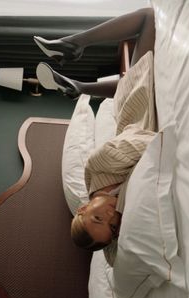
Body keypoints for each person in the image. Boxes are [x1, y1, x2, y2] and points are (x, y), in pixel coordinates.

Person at [34, 7, 156, 264]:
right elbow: (112, 258)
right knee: (128, 82)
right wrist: (111, 233)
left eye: (99, 217)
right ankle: (80, 86)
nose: (112, 217)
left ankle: (74, 45)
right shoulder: (115, 213)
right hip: (129, 113)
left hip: (137, 112)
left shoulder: (100, 164)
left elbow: (154, 143)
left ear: (83, 207)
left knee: (150, 17)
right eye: (112, 227)